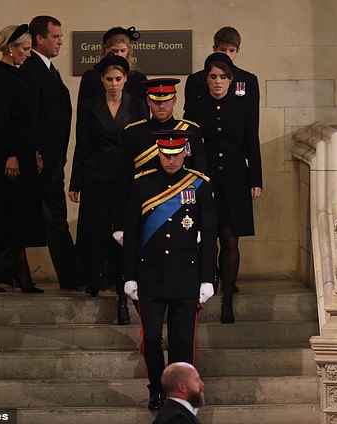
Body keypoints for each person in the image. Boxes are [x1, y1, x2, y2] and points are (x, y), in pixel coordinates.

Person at [122, 132, 217, 410]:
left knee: (182, 342)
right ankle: (156, 389)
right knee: (151, 337)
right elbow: (131, 234)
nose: (171, 160)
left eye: (175, 155)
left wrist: (208, 278)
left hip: (186, 276)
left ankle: (179, 395)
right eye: (165, 155)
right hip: (149, 275)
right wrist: (129, 276)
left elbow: (209, 237)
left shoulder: (199, 185)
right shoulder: (142, 183)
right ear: (158, 153)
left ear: (184, 153)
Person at [184, 52, 263, 324]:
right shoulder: (196, 106)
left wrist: (256, 179)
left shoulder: (240, 106)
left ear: (231, 80)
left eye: (223, 77)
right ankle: (208, 285)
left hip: (235, 178)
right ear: (206, 80)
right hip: (205, 180)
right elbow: (188, 144)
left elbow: (251, 140)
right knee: (206, 237)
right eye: (213, 77)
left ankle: (227, 300)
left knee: (230, 238)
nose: (218, 82)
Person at [68, 54, 147, 317]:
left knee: (123, 228)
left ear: (125, 79)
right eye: (109, 79)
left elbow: (142, 142)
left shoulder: (136, 105)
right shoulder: (90, 105)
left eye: (118, 79)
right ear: (101, 80)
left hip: (126, 175)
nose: (114, 83)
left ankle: (121, 280)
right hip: (96, 173)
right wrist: (75, 181)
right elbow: (83, 143)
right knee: (95, 226)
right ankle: (94, 279)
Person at [0, 24, 45, 294]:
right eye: (25, 49)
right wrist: (13, 155)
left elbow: (27, 119)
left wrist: (33, 152)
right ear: (10, 48)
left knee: (21, 212)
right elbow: (4, 122)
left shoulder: (15, 75)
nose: (28, 54)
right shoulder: (0, 78)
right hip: (10, 152)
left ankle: (19, 272)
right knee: (10, 211)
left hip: (23, 151)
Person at [112, 78, 207, 243]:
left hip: (182, 210)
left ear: (175, 100)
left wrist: (201, 224)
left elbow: (200, 179)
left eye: (166, 100)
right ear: (148, 100)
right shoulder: (133, 133)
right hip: (146, 211)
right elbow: (123, 181)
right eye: (156, 101)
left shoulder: (191, 131)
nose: (161, 105)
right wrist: (120, 224)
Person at [20, 15, 76, 290]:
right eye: (55, 36)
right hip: (42, 161)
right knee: (53, 218)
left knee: (50, 217)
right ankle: (71, 275)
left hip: (54, 158)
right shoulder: (32, 69)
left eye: (61, 36)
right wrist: (36, 152)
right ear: (38, 39)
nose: (61, 42)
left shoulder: (49, 69)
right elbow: (30, 116)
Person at [77, 26, 147, 113]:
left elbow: (144, 116)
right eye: (114, 51)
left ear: (128, 51)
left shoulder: (138, 79)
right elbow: (82, 113)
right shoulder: (91, 77)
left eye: (122, 51)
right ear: (105, 50)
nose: (119, 55)